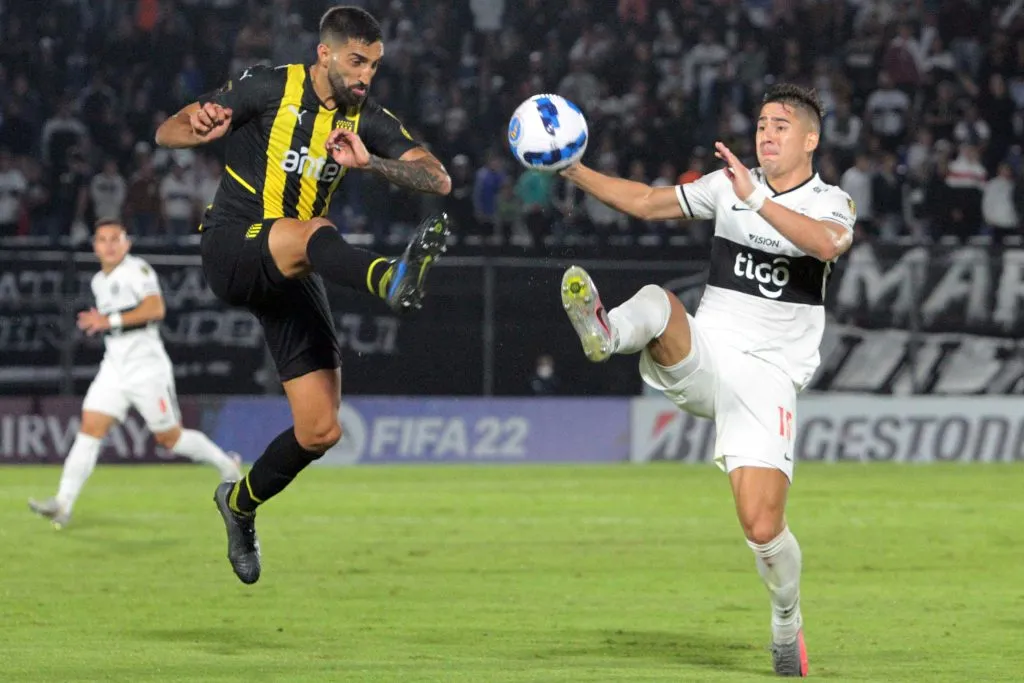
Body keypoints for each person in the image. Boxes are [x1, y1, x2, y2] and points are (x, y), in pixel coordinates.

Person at [558, 84, 856, 677]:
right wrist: (575, 170)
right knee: (660, 301)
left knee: (762, 527)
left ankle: (786, 621)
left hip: (767, 377)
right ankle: (606, 334)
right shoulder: (726, 186)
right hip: (709, 354)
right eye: (762, 124)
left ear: (810, 139)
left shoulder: (832, 202)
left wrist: (756, 199)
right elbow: (645, 202)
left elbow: (824, 245)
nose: (766, 134)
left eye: (780, 125)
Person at [154, 6, 452, 585]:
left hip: (297, 259)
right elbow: (169, 130)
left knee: (320, 429)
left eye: (374, 64)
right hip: (233, 245)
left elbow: (437, 177)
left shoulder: (368, 117)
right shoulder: (268, 85)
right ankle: (389, 278)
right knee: (314, 231)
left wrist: (376, 164)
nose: (366, 74)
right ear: (326, 53)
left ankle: (239, 503)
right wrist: (201, 123)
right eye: (356, 61)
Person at [28, 219, 243, 529]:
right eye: (103, 239)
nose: (110, 245)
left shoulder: (137, 270)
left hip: (146, 367)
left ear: (127, 243)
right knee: (90, 429)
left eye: (116, 238)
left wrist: (109, 320)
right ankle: (63, 504)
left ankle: (227, 464)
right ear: (95, 246)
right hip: (114, 366)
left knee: (171, 439)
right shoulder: (99, 281)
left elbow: (155, 309)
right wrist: (107, 324)